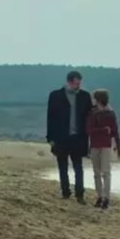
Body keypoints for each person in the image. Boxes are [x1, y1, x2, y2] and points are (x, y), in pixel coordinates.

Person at [46, 70, 93, 204]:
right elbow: (50, 117)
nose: (78, 86)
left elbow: (89, 118)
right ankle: (65, 192)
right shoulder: (55, 95)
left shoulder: (85, 96)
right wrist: (50, 138)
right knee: (63, 167)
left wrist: (89, 139)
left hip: (78, 138)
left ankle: (80, 194)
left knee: (78, 167)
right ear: (69, 82)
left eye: (79, 83)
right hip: (60, 138)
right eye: (76, 83)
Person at [86, 89, 120, 209]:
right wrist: (104, 130)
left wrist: (118, 146)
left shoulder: (109, 113)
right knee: (100, 173)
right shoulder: (93, 113)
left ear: (98, 99)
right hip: (97, 145)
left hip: (103, 145)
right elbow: (89, 130)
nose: (92, 100)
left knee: (103, 173)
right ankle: (101, 197)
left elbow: (114, 130)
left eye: (94, 98)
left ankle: (105, 198)